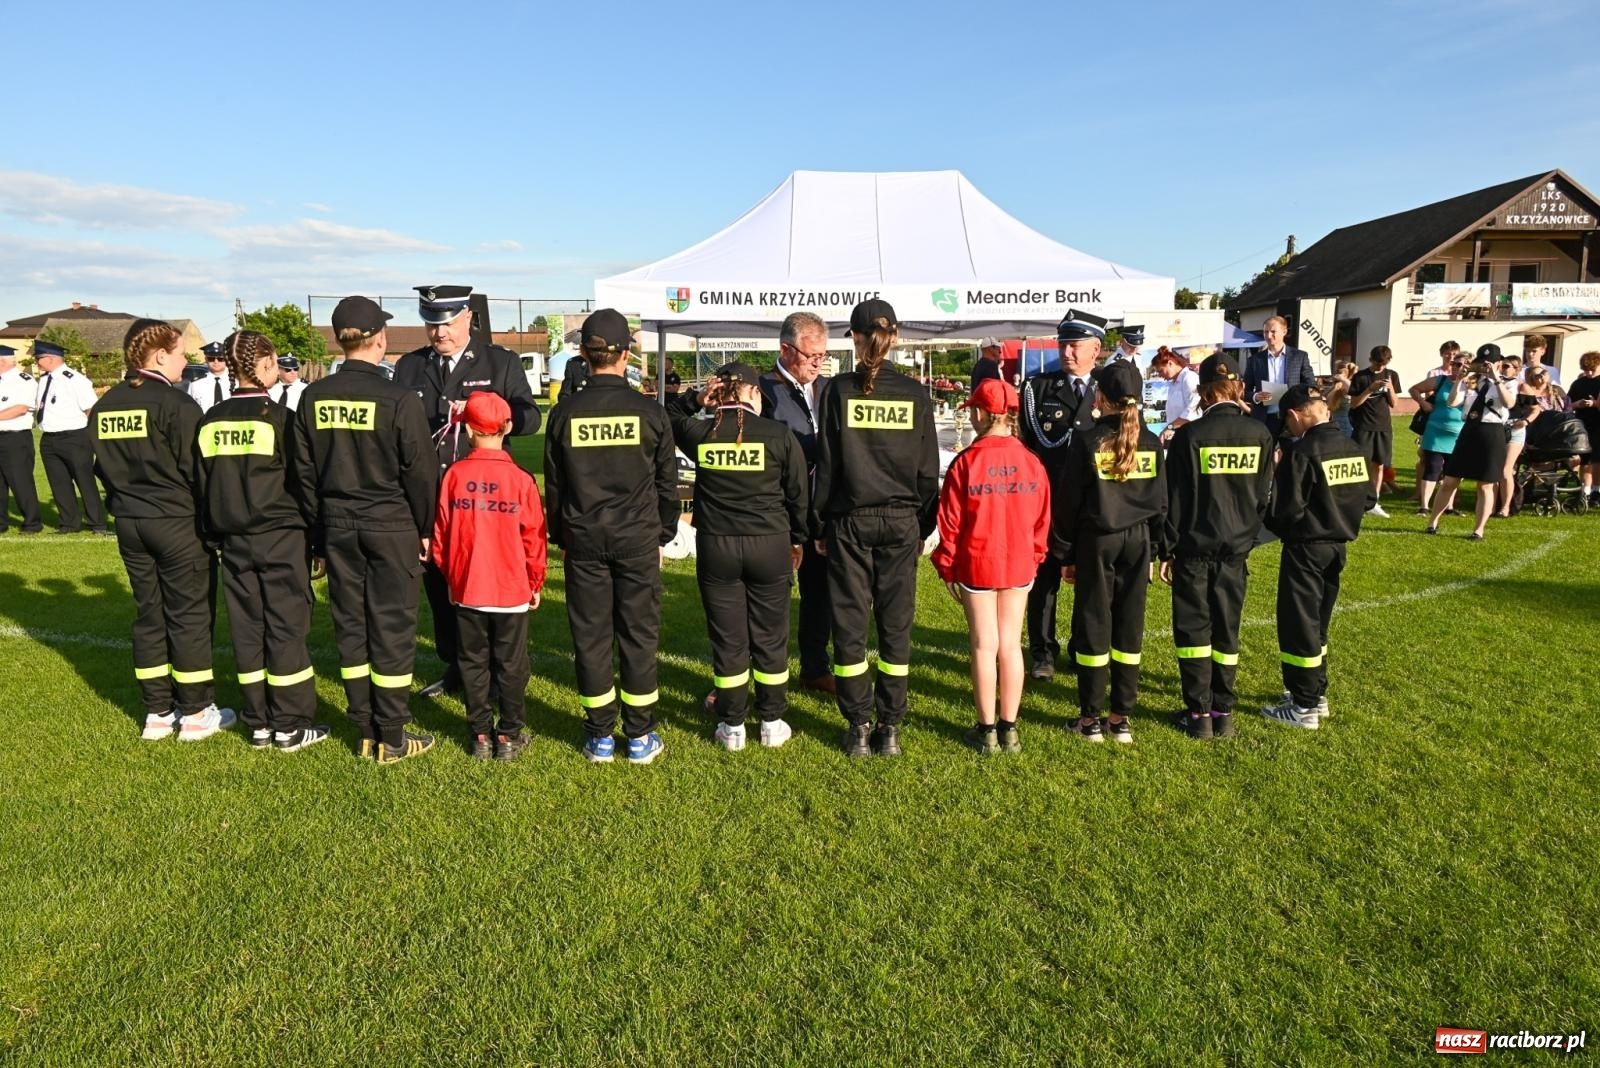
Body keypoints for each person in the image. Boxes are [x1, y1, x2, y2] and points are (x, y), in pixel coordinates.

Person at [295, 295, 437, 763]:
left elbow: (304, 474)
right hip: (391, 524)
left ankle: (364, 729)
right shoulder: (399, 398)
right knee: (393, 628)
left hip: (337, 526)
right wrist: (424, 526)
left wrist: (317, 535)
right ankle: (393, 736)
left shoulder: (312, 397)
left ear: (339, 342)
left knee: (351, 627)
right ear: (381, 340)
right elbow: (420, 472)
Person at [392, 284, 541, 700]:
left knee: (488, 586)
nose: (438, 334)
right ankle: (456, 667)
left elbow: (530, 417)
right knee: (440, 586)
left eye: (446, 324)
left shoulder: (500, 362)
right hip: (432, 495)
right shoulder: (409, 367)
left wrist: (494, 414)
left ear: (467, 318)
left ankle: (495, 671)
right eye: (431, 324)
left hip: (482, 500)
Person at [543, 308, 677, 765]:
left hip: (584, 539)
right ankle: (639, 736)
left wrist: (561, 534)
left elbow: (555, 485)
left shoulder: (564, 414)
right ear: (626, 354)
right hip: (637, 538)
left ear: (583, 353)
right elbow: (666, 483)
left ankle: (600, 735)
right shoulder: (650, 412)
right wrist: (663, 533)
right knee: (638, 635)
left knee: (591, 636)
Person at [90, 319, 235, 742]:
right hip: (176, 522)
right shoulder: (176, 404)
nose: (185, 360)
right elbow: (200, 472)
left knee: (149, 614)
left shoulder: (106, 405)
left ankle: (157, 711)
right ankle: (194, 712)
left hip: (130, 523)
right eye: (179, 353)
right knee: (189, 614)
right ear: (157, 356)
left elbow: (99, 467)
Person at [811, 298, 938, 758]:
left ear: (855, 338)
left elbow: (826, 466)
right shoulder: (915, 393)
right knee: (895, 624)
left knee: (848, 622)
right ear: (896, 337)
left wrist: (820, 521)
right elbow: (928, 473)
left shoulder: (837, 391)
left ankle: (859, 725)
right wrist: (922, 525)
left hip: (849, 519)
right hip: (902, 520)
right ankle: (890, 726)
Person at [195, 330, 325, 752]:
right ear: (266, 362)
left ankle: (258, 723)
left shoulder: (210, 419)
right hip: (281, 537)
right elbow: (304, 482)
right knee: (286, 628)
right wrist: (316, 536)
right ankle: (290, 724)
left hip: (232, 540)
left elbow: (202, 485)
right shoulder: (278, 419)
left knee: (248, 629)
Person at [672, 362, 808, 751]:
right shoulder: (779, 435)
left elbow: (667, 416)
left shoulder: (701, 432)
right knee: (770, 634)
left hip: (718, 547)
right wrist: (797, 540)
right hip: (769, 545)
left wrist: (696, 400)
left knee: (729, 638)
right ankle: (771, 720)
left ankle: (732, 725)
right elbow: (799, 496)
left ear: (719, 393)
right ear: (751, 393)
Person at [1050, 360, 1168, 744]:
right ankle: (1121, 719)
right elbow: (1161, 504)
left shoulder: (1087, 441)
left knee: (1093, 625)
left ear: (1101, 397)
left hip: (1097, 541)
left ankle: (1091, 719)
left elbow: (1069, 504)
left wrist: (1065, 554)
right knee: (1129, 627)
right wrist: (1157, 548)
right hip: (1139, 542)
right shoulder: (1151, 441)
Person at [930, 378, 1049, 754]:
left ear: (981, 413)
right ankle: (1009, 729)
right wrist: (1034, 558)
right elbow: (1042, 520)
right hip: (1017, 563)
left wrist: (947, 566)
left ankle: (986, 731)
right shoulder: (1032, 462)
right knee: (1011, 645)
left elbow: (949, 523)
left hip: (977, 562)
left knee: (984, 646)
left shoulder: (966, 462)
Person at [1159, 353, 1274, 741]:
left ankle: (1197, 714)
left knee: (1194, 633)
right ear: (1239, 387)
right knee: (1227, 633)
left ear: (1204, 392)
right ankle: (1222, 710)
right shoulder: (1260, 435)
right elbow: (1262, 498)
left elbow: (1175, 500)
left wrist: (1167, 549)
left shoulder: (1190, 437)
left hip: (1194, 549)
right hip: (1236, 551)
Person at [430, 391, 547, 761]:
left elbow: (441, 537)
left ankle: (480, 733)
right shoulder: (521, 480)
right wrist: (535, 582)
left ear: (467, 431)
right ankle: (509, 734)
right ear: (508, 427)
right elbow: (534, 538)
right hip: (511, 587)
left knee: (473, 660)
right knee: (512, 664)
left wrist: (452, 577)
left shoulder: (454, 476)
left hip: (468, 586)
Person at [1260, 384, 1368, 729]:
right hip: (1338, 548)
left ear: (1295, 415)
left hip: (1306, 548)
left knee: (1299, 625)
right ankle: (1316, 695)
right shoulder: (1352, 446)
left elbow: (1285, 511)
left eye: (1288, 422)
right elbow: (1367, 498)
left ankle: (1303, 705)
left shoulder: (1304, 452)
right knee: (1318, 624)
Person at [1018, 310, 1104, 680]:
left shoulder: (1109, 389)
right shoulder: (1038, 388)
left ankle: (1083, 645)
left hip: (1095, 505)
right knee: (1044, 583)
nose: (1067, 351)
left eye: (1076, 344)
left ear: (1096, 349)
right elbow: (1030, 444)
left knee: (1091, 582)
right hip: (1049, 503)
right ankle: (1043, 652)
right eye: (1063, 343)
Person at [759, 311, 833, 693]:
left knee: (820, 594)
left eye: (824, 355)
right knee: (770, 599)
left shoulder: (830, 389)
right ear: (786, 350)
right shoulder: (762, 391)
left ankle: (816, 667)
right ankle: (759, 673)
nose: (818, 363)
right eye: (811, 355)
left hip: (820, 511)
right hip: (777, 512)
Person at [1425, 343, 1515, 541]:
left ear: (1498, 363)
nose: (1484, 367)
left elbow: (1509, 403)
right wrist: (1459, 380)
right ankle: (1432, 522)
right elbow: (1452, 402)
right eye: (1482, 363)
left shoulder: (1508, 382)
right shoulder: (1472, 381)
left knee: (1485, 485)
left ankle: (1478, 530)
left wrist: (1496, 379)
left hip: (1491, 432)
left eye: (1488, 363)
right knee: (1450, 480)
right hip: (1469, 430)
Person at [32, 340, 108, 536]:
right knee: (59, 483)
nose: (37, 362)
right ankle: (69, 523)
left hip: (75, 437)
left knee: (85, 481)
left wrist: (91, 438)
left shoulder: (75, 380)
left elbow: (91, 409)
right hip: (49, 438)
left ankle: (97, 523)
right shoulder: (44, 380)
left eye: (38, 358)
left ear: (50, 358)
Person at [1408, 344, 1468, 515]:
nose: (1457, 367)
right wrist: (1424, 403)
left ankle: (1448, 506)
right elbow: (1414, 389)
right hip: (1436, 429)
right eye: (1455, 364)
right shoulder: (1441, 380)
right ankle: (1424, 506)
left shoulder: (1472, 385)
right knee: (1432, 467)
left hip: (1459, 432)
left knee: (1453, 470)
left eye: (1462, 365)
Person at [1349, 346, 1402, 517]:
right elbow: (1354, 404)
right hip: (1363, 426)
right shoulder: (1361, 376)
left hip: (1383, 427)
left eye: (1384, 364)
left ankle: (1374, 501)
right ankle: (1358, 499)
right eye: (1377, 363)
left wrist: (1390, 388)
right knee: (1360, 464)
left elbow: (1394, 404)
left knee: (1379, 465)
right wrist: (1370, 389)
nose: (1380, 367)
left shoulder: (1392, 375)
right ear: (1370, 359)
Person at [1243, 316, 1317, 437]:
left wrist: (1295, 395)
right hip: (1265, 418)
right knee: (1265, 454)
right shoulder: (1255, 360)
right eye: (1265, 332)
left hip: (1292, 416)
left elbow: (1310, 386)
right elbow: (1244, 391)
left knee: (1293, 453)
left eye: (1273, 331)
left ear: (1284, 331)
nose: (1268, 335)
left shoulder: (1299, 357)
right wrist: (1256, 396)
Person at [0, 344, 44, 534]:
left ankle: (32, 523)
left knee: (20, 481)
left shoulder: (23, 381)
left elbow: (20, 408)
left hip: (14, 439)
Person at [1566, 351, 1600, 506]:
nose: (1589, 372)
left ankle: (1596, 490)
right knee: (1584, 458)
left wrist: (1594, 404)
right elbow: (1566, 404)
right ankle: (1584, 490)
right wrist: (1577, 404)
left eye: (1592, 369)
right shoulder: (1578, 383)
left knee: (1597, 459)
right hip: (1583, 423)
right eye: (1586, 370)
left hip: (1598, 424)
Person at [1152, 346, 1201, 442]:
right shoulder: (1173, 384)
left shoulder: (1189, 378)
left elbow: (1194, 410)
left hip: (1190, 437)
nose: (1160, 375)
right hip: (1178, 436)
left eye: (1161, 371)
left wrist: (1169, 427)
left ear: (1170, 363)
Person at [189, 340, 232, 413]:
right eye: (211, 359)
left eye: (220, 359)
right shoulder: (195, 385)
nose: (216, 361)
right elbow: (190, 410)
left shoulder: (236, 382)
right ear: (206, 360)